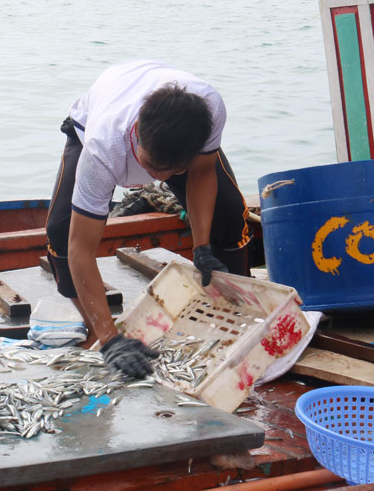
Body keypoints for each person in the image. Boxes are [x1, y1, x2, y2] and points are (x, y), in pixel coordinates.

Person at [45, 59, 252, 379]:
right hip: (98, 117)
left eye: (170, 173)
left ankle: (241, 319)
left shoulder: (209, 112)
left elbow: (202, 173)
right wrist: (111, 338)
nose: (157, 178)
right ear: (138, 132)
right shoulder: (102, 149)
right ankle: (101, 334)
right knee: (59, 235)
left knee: (230, 215)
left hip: (176, 130)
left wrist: (202, 249)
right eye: (151, 167)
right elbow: (80, 249)